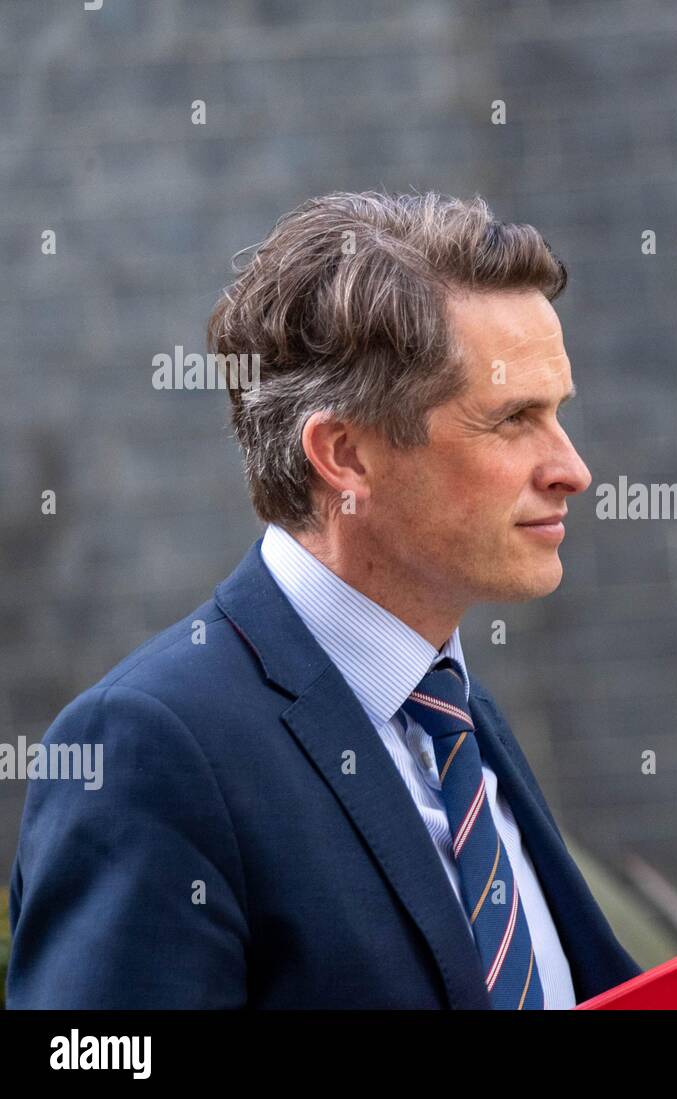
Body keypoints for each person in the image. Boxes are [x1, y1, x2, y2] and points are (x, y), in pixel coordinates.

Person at [6, 191, 641, 1009]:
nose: (572, 468)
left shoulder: (454, 713)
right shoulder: (149, 750)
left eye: (557, 413)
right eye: (514, 418)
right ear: (344, 454)